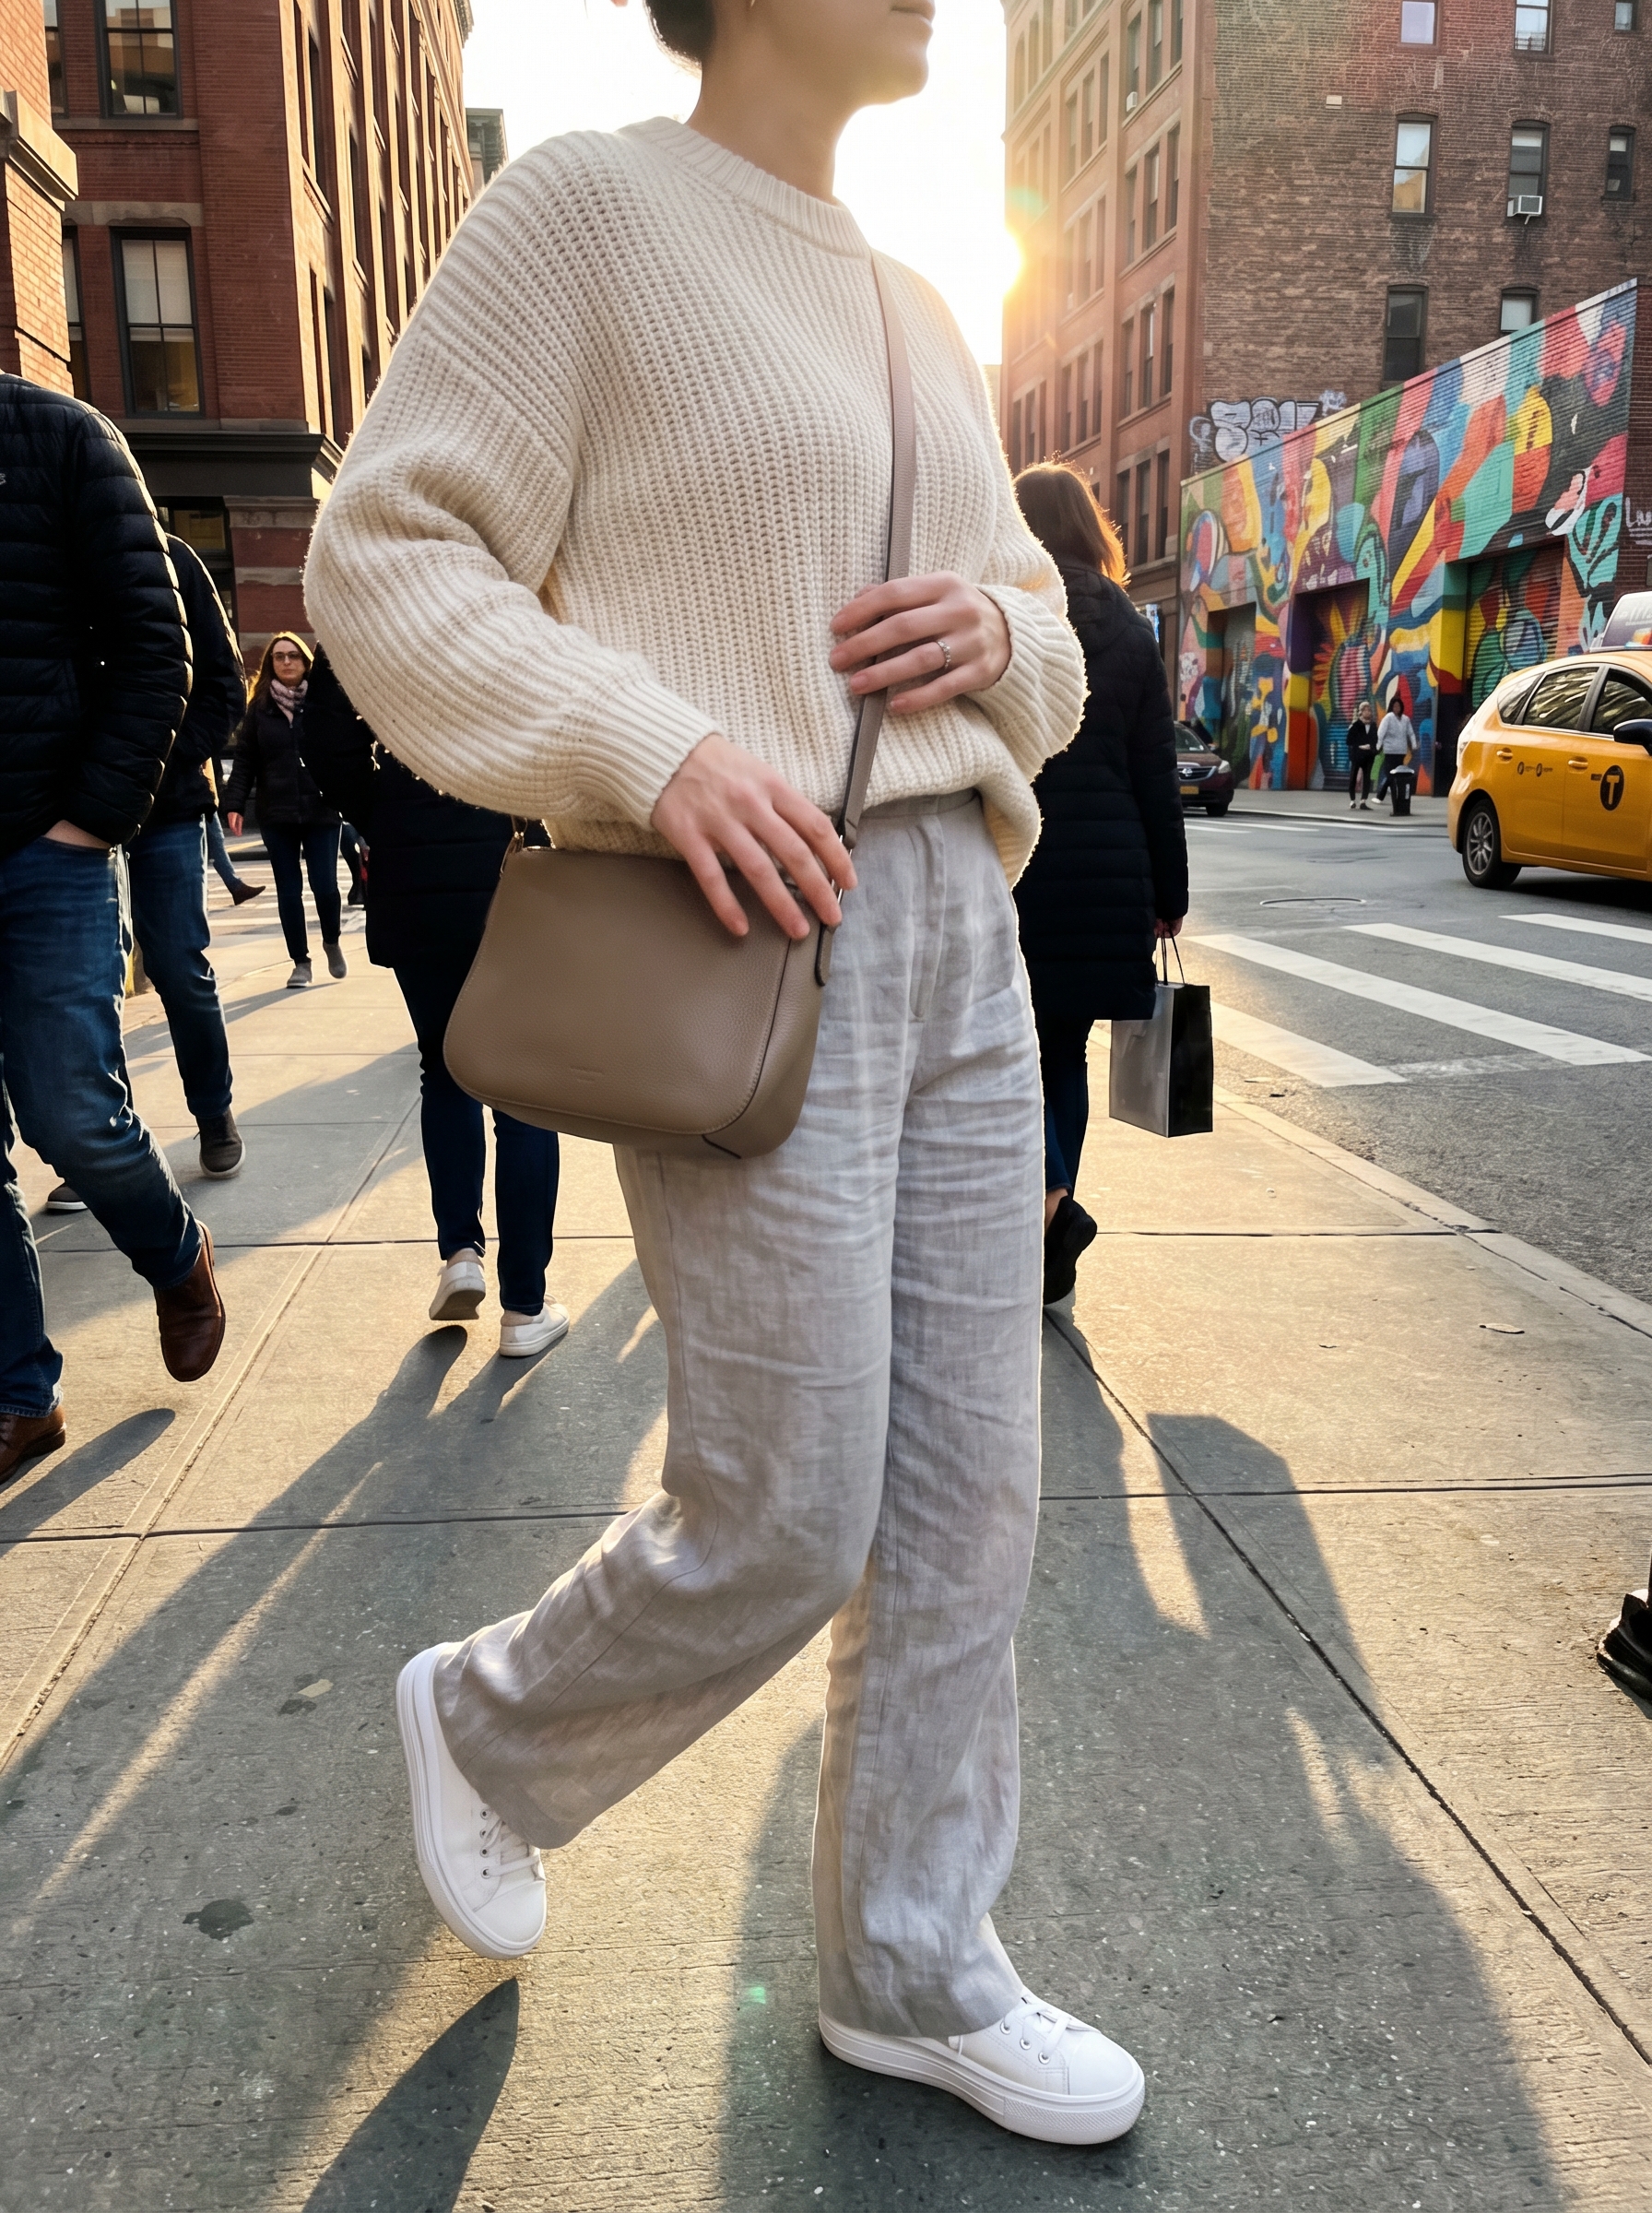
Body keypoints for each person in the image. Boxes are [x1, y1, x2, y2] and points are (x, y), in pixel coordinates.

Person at [307, 0, 1147, 2149]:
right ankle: (493, 1722)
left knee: (973, 1500)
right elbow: (389, 548)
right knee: (786, 1500)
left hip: (967, 907)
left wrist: (1000, 643)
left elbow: (1041, 617)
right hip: (755, 920)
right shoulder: (587, 208)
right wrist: (648, 744)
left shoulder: (918, 299)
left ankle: (908, 1957)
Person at [1, 373, 227, 1484]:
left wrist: (90, 821)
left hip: (43, 848)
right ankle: (19, 1399)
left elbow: (160, 643)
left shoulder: (57, 437)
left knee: (71, 1114)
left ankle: (177, 1257)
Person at [300, 648, 566, 1357]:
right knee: (522, 1096)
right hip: (509, 873)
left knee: (445, 1070)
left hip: (413, 873)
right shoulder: (508, 608)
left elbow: (327, 742)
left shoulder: (382, 610)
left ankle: (461, 1253)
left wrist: (388, 810)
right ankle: (525, 1309)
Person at [1009, 466, 1188, 1306]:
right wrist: (1169, 893)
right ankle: (1055, 1222)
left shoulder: (1008, 616)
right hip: (1111, 875)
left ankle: (1046, 1220)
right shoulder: (1130, 627)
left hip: (1019, 870)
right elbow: (1157, 773)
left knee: (1009, 1054)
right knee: (1063, 1059)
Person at [223, 635, 347, 989]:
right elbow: (245, 759)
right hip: (276, 812)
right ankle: (301, 962)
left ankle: (332, 941)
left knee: (326, 887)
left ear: (306, 662)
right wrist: (234, 804)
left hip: (322, 808)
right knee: (288, 891)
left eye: (294, 656)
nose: (287, 662)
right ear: (270, 664)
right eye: (279, 657)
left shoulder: (323, 703)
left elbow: (343, 751)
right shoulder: (259, 708)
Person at [206, 802, 262, 904]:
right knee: (215, 840)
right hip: (199, 798)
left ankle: (236, 886)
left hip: (201, 799)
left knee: (215, 840)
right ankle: (236, 887)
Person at [1376, 693, 1415, 799]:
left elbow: (1410, 733)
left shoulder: (1405, 719)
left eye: (1398, 706)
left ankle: (1384, 795)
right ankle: (1383, 795)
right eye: (1394, 706)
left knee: (1395, 774)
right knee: (1391, 774)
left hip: (1401, 751)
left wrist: (1414, 744)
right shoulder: (1388, 717)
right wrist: (1378, 746)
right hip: (1390, 751)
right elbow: (1381, 732)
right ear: (1391, 707)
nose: (1396, 708)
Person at [1346, 698, 1377, 810]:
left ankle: (1363, 801)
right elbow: (1349, 741)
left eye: (1369, 710)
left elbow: (1376, 739)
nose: (1367, 712)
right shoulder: (1356, 725)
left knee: (1367, 777)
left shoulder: (1373, 725)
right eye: (1365, 710)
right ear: (1361, 712)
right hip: (1357, 755)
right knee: (1354, 776)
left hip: (1369, 756)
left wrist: (1373, 748)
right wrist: (1360, 746)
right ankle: (1352, 800)